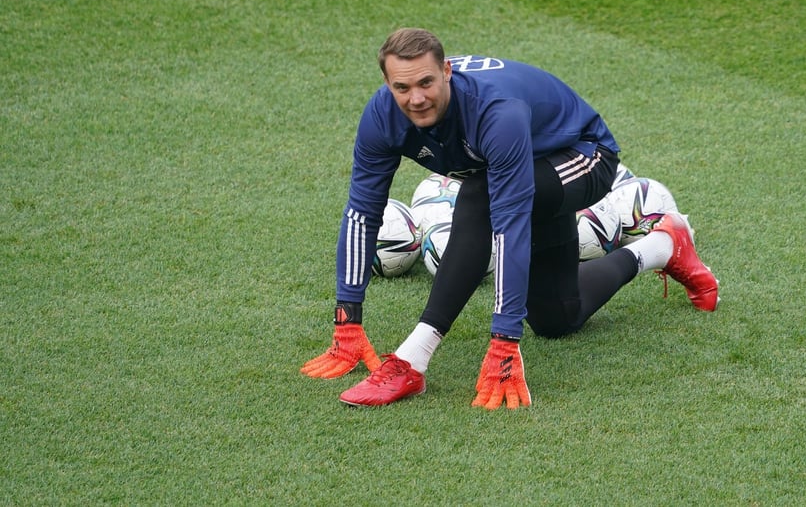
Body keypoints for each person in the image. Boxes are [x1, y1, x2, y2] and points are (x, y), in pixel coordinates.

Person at [300, 27, 719, 409]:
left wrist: (504, 341)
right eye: (402, 87)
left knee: (480, 197)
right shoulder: (383, 115)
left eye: (426, 82)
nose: (416, 98)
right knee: (557, 318)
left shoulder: (494, 112)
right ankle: (664, 244)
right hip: (518, 162)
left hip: (581, 155)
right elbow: (362, 211)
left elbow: (510, 222)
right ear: (388, 85)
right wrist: (347, 322)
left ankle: (411, 361)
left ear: (446, 71)